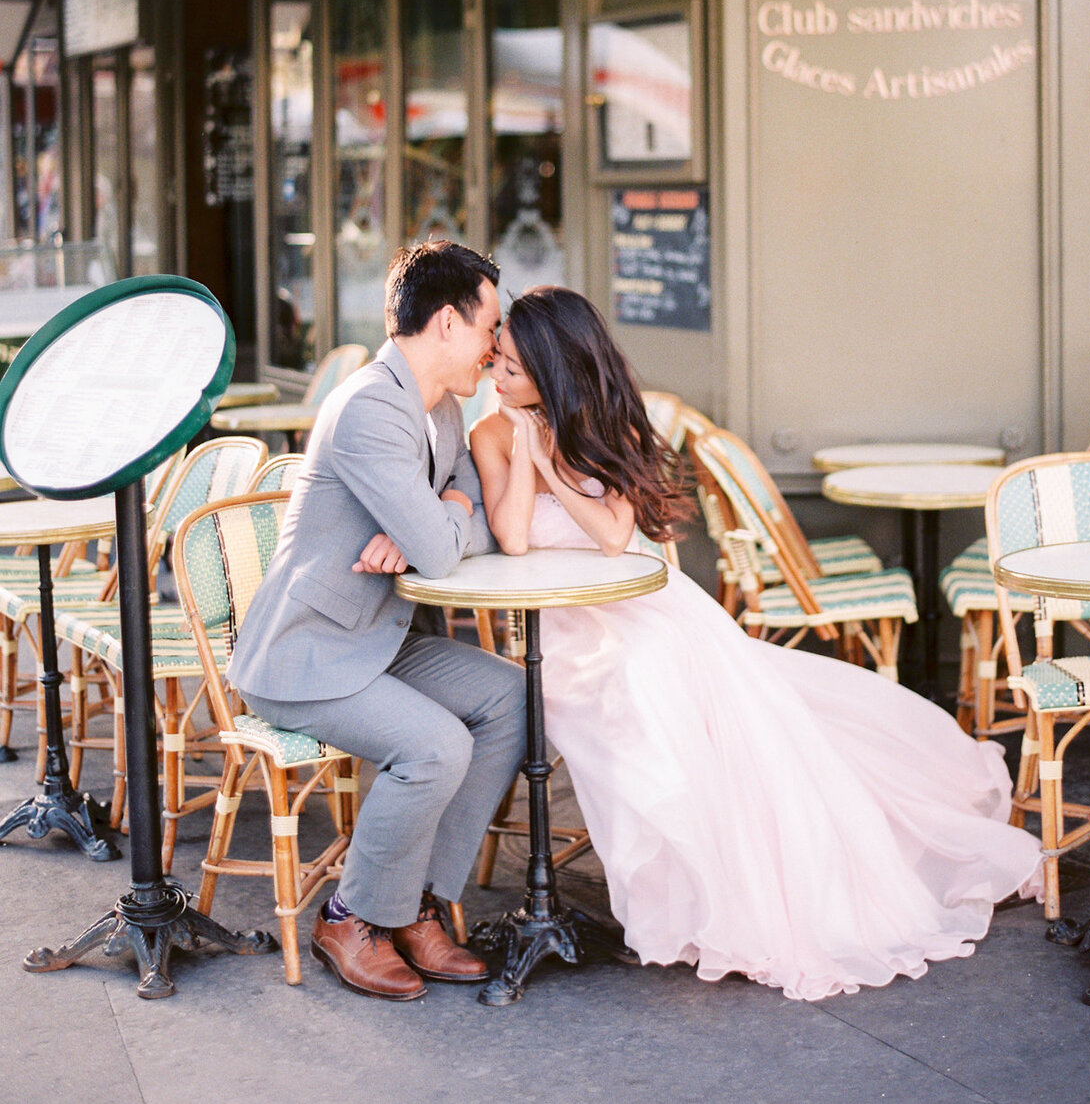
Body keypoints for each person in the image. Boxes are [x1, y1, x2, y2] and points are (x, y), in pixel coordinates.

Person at [465, 286, 1044, 1003]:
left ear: (554, 370)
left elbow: (615, 537)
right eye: (496, 362)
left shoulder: (599, 422)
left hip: (646, 610)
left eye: (513, 369)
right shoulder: (490, 435)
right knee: (649, 692)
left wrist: (551, 461)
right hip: (568, 632)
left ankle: (737, 883)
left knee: (710, 700)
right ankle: (689, 879)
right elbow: (515, 537)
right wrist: (523, 449)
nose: (497, 376)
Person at [227, 241, 526, 1002]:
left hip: (378, 640)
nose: (497, 346)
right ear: (451, 323)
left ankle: (413, 904)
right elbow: (439, 547)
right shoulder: (368, 407)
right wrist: (438, 525)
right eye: (491, 327)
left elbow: (476, 521)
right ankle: (348, 915)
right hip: (307, 656)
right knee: (436, 745)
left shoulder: (446, 409)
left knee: (512, 699)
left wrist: (444, 516)